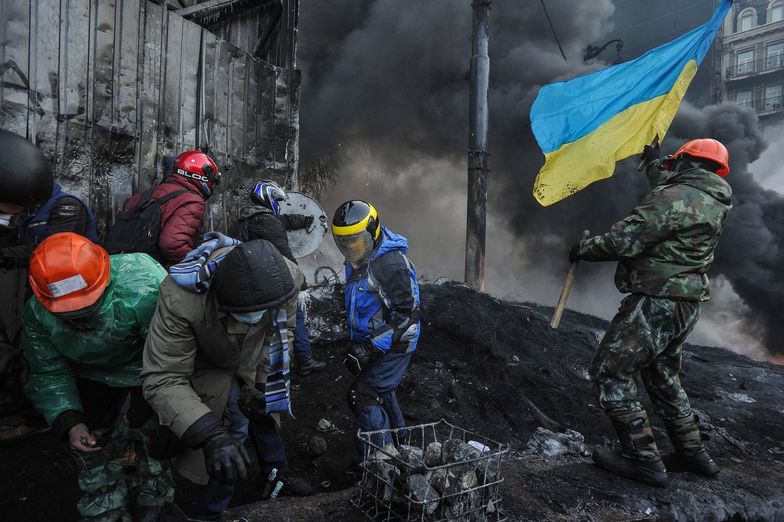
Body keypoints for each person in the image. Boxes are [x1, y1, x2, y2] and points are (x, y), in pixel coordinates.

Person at [570, 138, 732, 486]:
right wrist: (655, 163)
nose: (672, 169)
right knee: (662, 376)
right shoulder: (712, 199)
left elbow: (626, 240)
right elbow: (673, 191)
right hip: (686, 302)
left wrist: (584, 249)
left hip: (657, 298)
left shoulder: (673, 198)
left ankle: (642, 459)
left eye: (677, 164)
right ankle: (693, 453)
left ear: (687, 163)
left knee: (609, 372)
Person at [141, 236, 313, 521]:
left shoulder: (285, 278)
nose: (258, 317)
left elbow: (280, 336)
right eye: (250, 313)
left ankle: (275, 473)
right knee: (229, 433)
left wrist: (264, 386)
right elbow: (164, 375)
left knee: (264, 410)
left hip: (252, 352)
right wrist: (209, 434)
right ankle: (209, 511)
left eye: (263, 312)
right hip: (206, 360)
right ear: (221, 301)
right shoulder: (180, 299)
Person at [20, 232, 173, 520]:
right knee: (96, 453)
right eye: (70, 315)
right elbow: (47, 370)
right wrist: (69, 419)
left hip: (146, 373)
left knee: (150, 447)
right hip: (89, 381)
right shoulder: (37, 316)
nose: (80, 320)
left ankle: (153, 501)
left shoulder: (143, 286)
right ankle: (107, 508)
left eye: (87, 309)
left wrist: (158, 404)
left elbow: (171, 354)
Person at [0, 129, 96, 442]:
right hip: (43, 296)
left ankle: (50, 419)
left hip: (67, 298)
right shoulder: (32, 214)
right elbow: (21, 241)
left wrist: (7, 256)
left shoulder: (66, 209)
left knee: (44, 358)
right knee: (34, 355)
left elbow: (53, 255)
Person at [331, 200, 420, 456]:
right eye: (343, 241)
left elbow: (408, 316)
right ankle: (403, 447)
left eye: (356, 239)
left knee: (364, 394)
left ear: (373, 231)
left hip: (397, 341)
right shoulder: (360, 256)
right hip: (375, 339)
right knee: (380, 388)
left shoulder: (391, 264)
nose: (349, 247)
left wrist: (370, 346)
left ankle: (379, 465)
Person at [233, 180, 326, 375]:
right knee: (295, 316)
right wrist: (302, 282)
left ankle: (255, 369)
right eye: (277, 200)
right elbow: (286, 256)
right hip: (272, 280)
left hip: (253, 280)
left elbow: (283, 221)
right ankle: (303, 361)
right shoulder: (267, 222)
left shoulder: (249, 219)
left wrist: (303, 220)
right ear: (268, 198)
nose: (278, 204)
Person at [119, 149, 220, 267]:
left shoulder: (144, 195)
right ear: (202, 175)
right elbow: (172, 244)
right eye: (212, 181)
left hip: (119, 264)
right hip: (151, 272)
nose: (212, 185)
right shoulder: (192, 200)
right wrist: (198, 263)